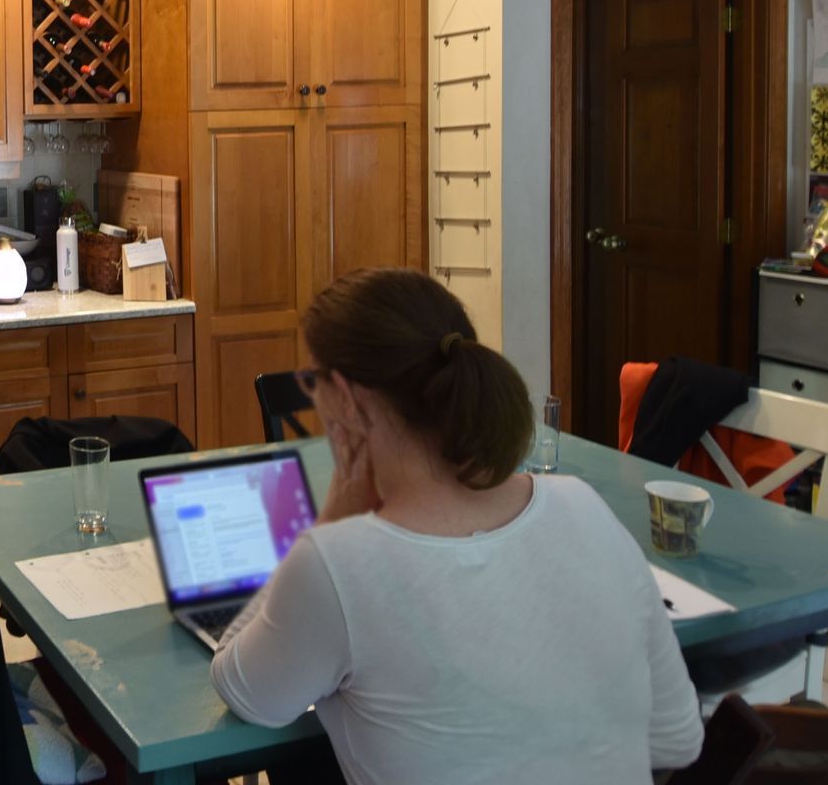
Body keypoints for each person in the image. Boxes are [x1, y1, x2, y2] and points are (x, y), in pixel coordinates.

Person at [210, 268, 702, 784]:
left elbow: (246, 692)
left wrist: (331, 519)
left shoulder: (337, 565)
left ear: (349, 403)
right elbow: (678, 739)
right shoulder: (584, 506)